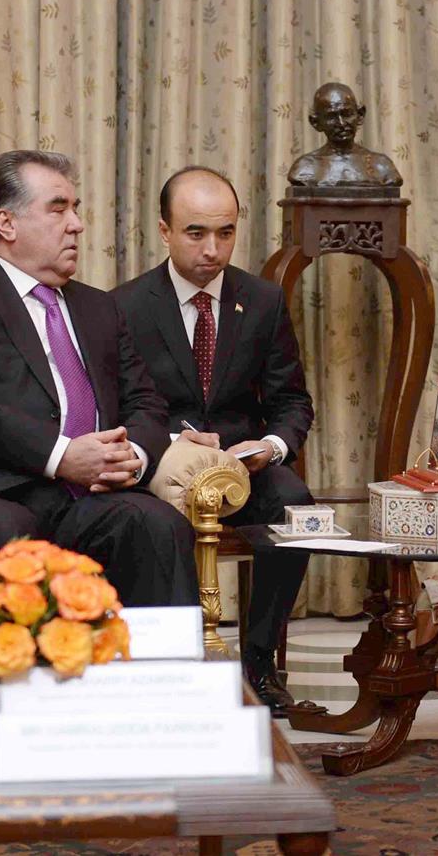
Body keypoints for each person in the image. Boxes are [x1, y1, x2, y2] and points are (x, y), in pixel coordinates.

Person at [0, 150, 198, 608]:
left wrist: (127, 456)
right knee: (12, 535)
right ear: (7, 224)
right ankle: (26, 677)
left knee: (158, 523)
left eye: (76, 210)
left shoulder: (99, 308)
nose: (76, 224)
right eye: (58, 209)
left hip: (78, 499)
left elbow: (147, 404)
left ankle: (161, 677)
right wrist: (60, 455)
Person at [114, 166, 315, 715]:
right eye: (196, 233)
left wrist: (268, 448)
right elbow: (118, 407)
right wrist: (177, 440)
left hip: (242, 464)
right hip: (163, 462)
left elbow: (292, 401)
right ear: (164, 230)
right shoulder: (125, 307)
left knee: (296, 505)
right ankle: (174, 664)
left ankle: (259, 661)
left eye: (225, 233)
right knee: (142, 522)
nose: (213, 249)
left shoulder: (263, 301)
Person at [287, 82, 403, 187]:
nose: (341, 123)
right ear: (316, 123)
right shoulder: (305, 168)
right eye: (331, 117)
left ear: (360, 115)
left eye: (347, 114)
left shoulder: (382, 167)